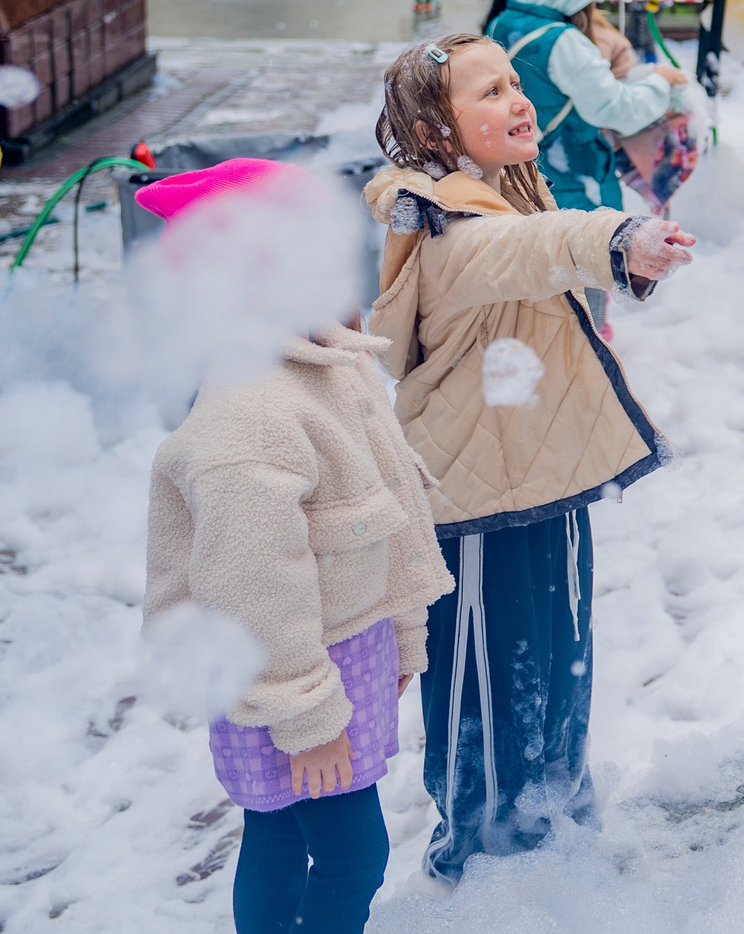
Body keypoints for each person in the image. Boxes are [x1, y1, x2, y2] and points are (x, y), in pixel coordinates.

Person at [363, 34, 696, 881]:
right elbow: (532, 248)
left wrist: (623, 248)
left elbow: (543, 239)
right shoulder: (448, 219)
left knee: (559, 661)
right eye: (488, 92)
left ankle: (558, 830)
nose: (516, 99)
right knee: (488, 687)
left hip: (541, 480)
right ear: (439, 133)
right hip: (475, 502)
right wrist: (616, 237)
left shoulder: (506, 188)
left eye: (516, 82)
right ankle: (482, 862)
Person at [142, 158, 453, 934]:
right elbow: (251, 587)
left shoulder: (327, 361)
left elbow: (392, 509)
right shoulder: (248, 418)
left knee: (281, 834)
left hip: (332, 650)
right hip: (290, 675)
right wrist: (309, 720)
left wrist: (401, 634)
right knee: (351, 855)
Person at [488, 0, 683, 221]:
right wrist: (660, 80)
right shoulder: (564, 42)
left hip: (529, 169)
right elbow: (616, 108)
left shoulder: (502, 22)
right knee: (586, 258)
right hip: (574, 179)